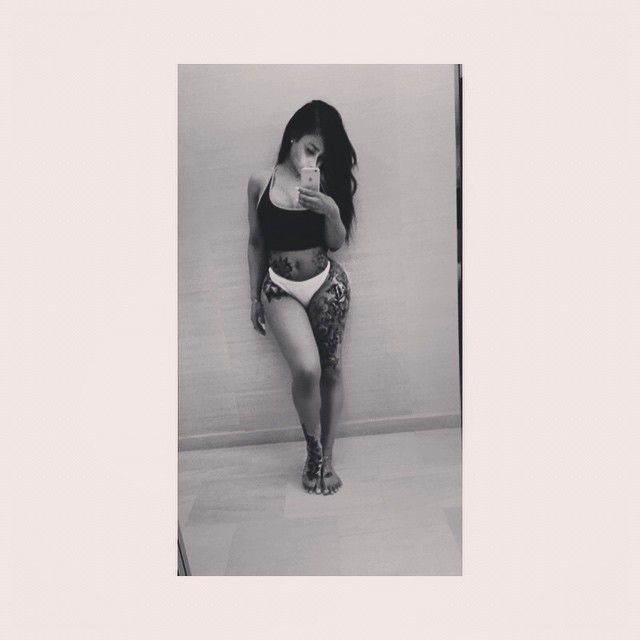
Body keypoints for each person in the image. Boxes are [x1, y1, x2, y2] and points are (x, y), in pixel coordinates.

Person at [246, 100, 357, 496]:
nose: (315, 162)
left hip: (327, 283)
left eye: (322, 157)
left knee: (332, 369)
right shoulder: (261, 182)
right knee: (308, 370)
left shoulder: (325, 184)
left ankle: (328, 458)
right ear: (293, 136)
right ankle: (312, 453)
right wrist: (254, 297)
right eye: (311, 150)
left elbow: (335, 243)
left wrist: (332, 211)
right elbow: (256, 242)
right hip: (280, 288)